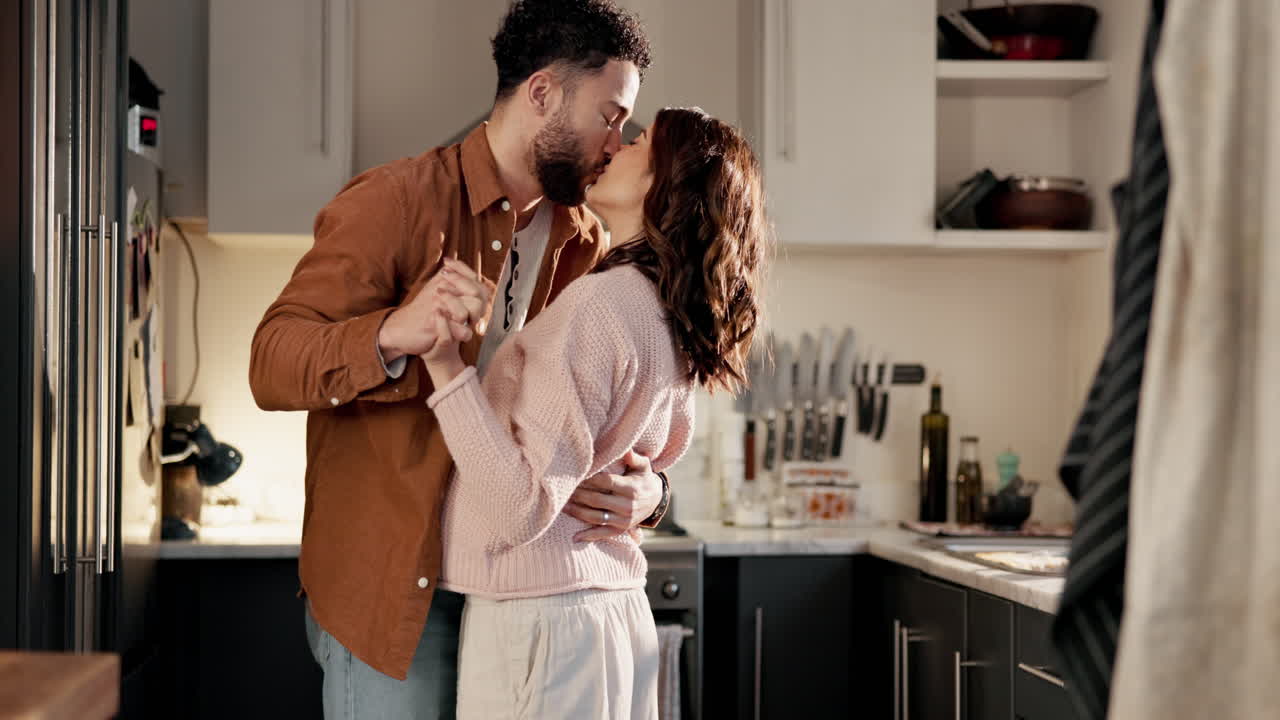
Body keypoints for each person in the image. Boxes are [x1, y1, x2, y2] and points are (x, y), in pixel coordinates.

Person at [248, 2, 668, 717]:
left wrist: (655, 495)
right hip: (393, 601)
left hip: (515, 601)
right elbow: (271, 361)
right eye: (610, 114)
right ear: (541, 93)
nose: (617, 140)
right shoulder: (396, 202)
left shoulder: (589, 244)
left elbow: (605, 424)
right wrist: (390, 333)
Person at [419, 107, 771, 719]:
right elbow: (644, 461)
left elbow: (521, 506)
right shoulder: (666, 310)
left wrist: (445, 365)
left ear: (664, 185)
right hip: (610, 611)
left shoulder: (602, 304)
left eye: (639, 141)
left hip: (543, 622)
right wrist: (655, 495)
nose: (617, 145)